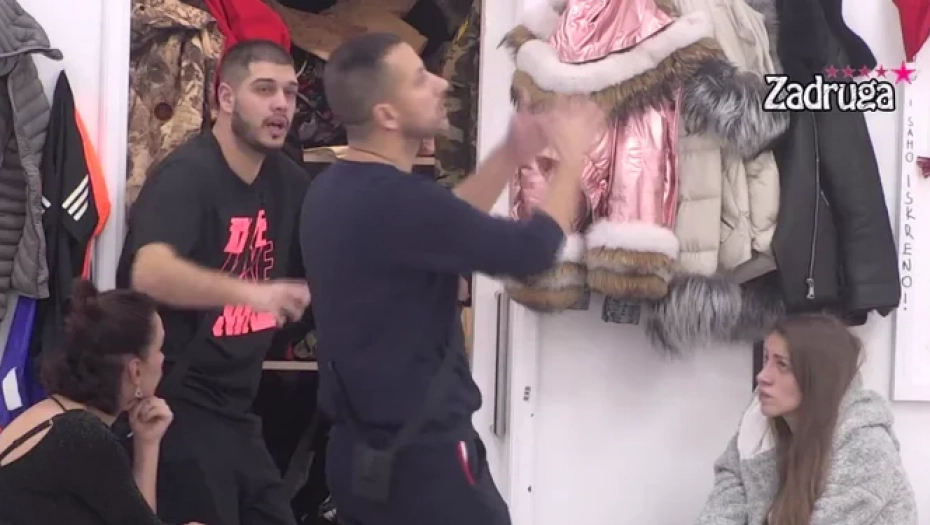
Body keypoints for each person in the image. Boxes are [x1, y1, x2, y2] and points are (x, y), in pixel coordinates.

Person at [300, 32, 602, 525]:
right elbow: (531, 252)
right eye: (420, 79)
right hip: (424, 466)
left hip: (358, 459)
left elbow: (443, 225)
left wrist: (509, 155)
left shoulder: (330, 191)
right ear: (387, 115)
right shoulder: (402, 201)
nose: (441, 83)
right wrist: (572, 160)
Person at [117, 39, 312, 525]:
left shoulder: (289, 183)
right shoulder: (188, 176)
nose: (281, 105)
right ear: (225, 98)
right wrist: (251, 292)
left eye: (290, 92)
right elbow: (149, 271)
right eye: (264, 89)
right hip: (176, 405)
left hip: (240, 407)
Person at [0, 279, 192, 525]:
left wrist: (147, 443)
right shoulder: (82, 435)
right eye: (159, 348)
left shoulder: (57, 416)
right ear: (136, 371)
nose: (163, 359)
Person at [694, 314, 917, 525]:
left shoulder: (866, 447)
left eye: (782, 365)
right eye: (766, 359)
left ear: (817, 377)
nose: (762, 376)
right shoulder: (758, 424)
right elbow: (730, 489)